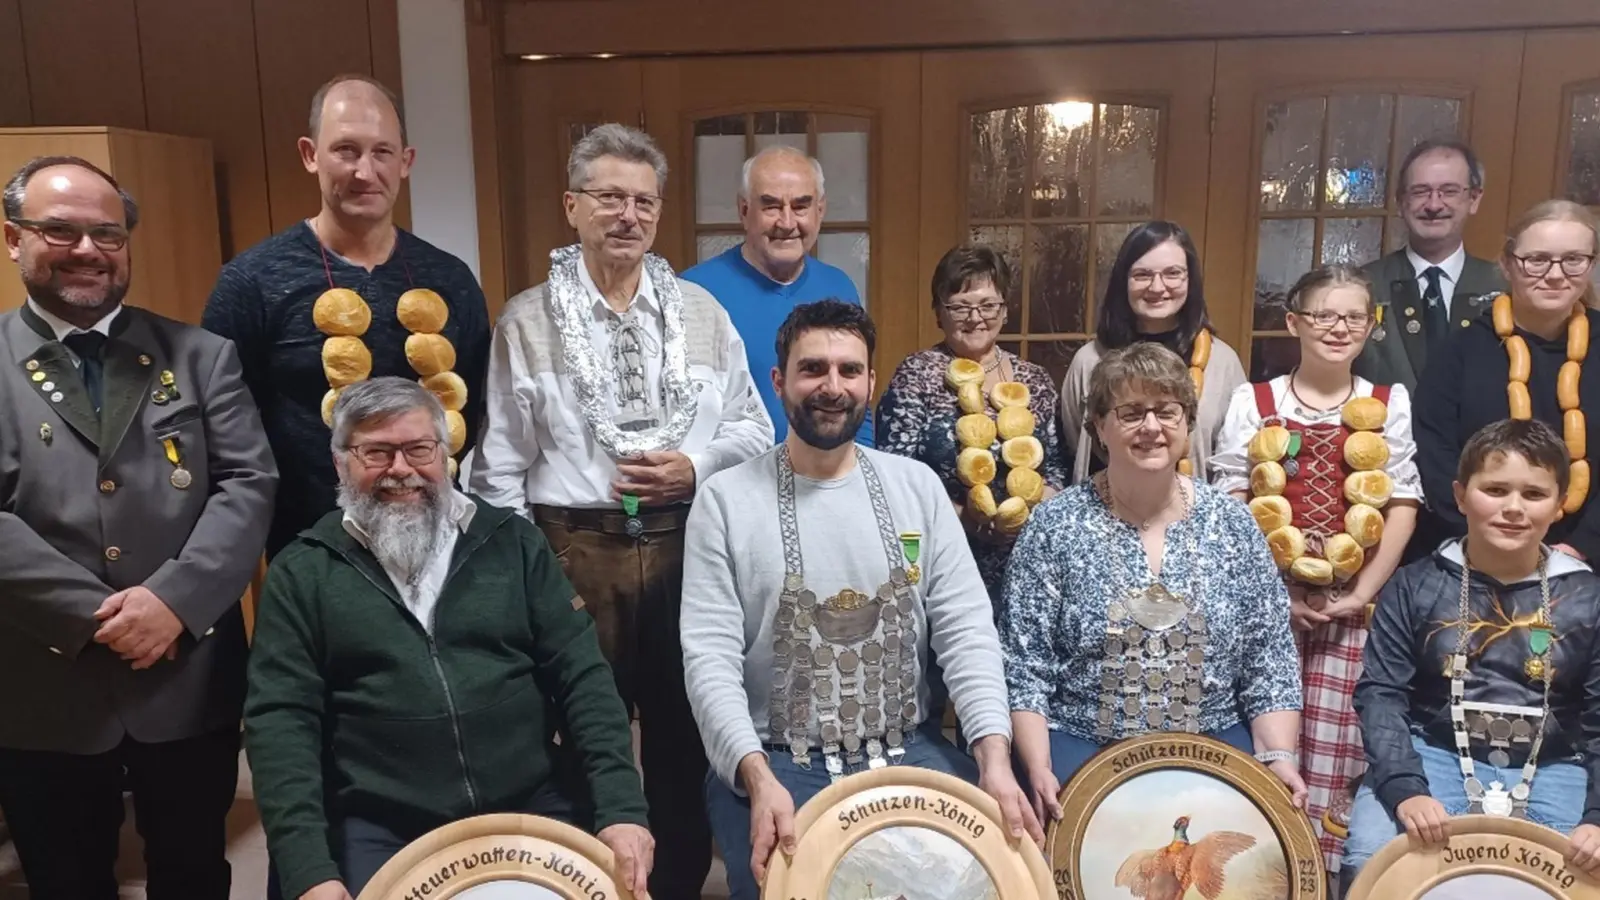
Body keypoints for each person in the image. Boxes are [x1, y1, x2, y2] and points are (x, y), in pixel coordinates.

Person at [470, 123, 772, 900]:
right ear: (572, 207)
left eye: (643, 201)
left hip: (684, 545)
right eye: (609, 197)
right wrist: (522, 579)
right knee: (578, 734)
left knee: (682, 735)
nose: (627, 216)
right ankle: (583, 885)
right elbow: (497, 468)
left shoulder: (701, 312)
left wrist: (694, 465)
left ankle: (673, 885)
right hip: (571, 550)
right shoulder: (528, 321)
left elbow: (755, 430)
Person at [682, 300, 1039, 900]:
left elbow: (966, 631)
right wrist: (754, 774)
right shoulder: (723, 501)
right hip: (778, 762)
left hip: (911, 750)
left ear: (871, 382)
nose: (832, 386)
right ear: (779, 381)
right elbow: (708, 660)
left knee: (995, 878)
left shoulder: (916, 488)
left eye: (850, 371)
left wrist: (993, 756)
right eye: (813, 369)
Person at [245, 378, 653, 900]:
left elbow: (584, 679)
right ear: (341, 462)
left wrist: (622, 810)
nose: (401, 469)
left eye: (419, 449)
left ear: (445, 454)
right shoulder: (302, 572)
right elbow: (281, 725)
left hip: (528, 798)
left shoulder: (514, 543)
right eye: (376, 451)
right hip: (379, 820)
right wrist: (309, 872)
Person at [0, 156, 277, 899]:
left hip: (184, 674)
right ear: (12, 237)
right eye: (60, 231)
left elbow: (249, 484)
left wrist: (174, 604)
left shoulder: (201, 356)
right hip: (43, 683)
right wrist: (93, 616)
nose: (88, 250)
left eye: (108, 234)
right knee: (66, 881)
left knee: (194, 874)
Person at [1001, 342, 1306, 825]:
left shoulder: (1233, 523)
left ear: (1187, 423)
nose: (1151, 427)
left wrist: (1278, 758)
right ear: (1099, 427)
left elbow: (1268, 662)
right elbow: (1024, 668)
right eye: (1130, 412)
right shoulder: (1055, 525)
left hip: (1212, 746)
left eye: (1167, 411)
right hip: (1081, 745)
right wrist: (1037, 767)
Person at [203, 73, 490, 559]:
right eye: (345, 150)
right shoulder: (252, 281)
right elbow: (222, 428)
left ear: (406, 162)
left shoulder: (450, 278)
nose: (364, 171)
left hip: (433, 539)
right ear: (309, 154)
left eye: (382, 152)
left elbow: (477, 405)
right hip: (308, 546)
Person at [1212, 264, 1420, 875]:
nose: (1339, 327)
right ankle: (1256, 868)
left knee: (1336, 751)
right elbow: (1232, 497)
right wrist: (1275, 591)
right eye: (1324, 315)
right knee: (1262, 732)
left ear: (1372, 325)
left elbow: (1403, 502)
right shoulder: (1257, 399)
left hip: (1350, 607)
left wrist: (1361, 592)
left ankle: (1321, 873)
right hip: (1265, 603)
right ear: (1294, 322)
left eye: (1354, 316)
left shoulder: (1387, 403)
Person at [1346, 419, 1600, 884]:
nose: (1513, 509)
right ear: (1461, 496)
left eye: (1534, 495)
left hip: (1556, 763)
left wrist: (1598, 817)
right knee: (1371, 858)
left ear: (1560, 505)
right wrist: (1406, 789)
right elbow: (1381, 694)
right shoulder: (1416, 584)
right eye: (1496, 490)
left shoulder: (1588, 598)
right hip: (1431, 753)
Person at [876, 244, 1065, 603]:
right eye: (959, 306)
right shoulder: (917, 374)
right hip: (944, 555)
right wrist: (963, 517)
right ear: (938, 313)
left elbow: (1056, 466)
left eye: (988, 305)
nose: (975, 317)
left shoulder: (1034, 379)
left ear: (1005, 310)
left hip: (1026, 561)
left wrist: (1028, 515)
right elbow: (895, 472)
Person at [1414, 200, 1600, 562]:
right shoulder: (1458, 352)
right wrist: (1493, 545)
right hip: (1475, 555)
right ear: (1507, 263)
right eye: (1537, 259)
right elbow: (1434, 456)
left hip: (1589, 563)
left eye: (1574, 259)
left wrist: (1580, 548)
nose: (1555, 274)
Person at [682, 145, 872, 446]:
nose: (786, 223)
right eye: (771, 206)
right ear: (744, 211)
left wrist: (858, 476)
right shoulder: (695, 293)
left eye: (800, 206)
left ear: (819, 211)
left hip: (825, 479)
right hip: (731, 483)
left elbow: (855, 398)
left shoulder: (839, 286)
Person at [1060, 221, 1245, 483]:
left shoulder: (1222, 361)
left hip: (1197, 517)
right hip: (1103, 515)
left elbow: (1235, 460)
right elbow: (1072, 444)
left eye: (1173, 273)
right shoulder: (1089, 361)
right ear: (1123, 281)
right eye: (1142, 275)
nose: (1157, 287)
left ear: (1190, 280)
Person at [1355, 139, 1505, 393]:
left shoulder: (1505, 288)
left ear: (1474, 199)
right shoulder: (1361, 286)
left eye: (1449, 191)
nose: (1434, 205)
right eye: (1420, 191)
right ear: (1401, 202)